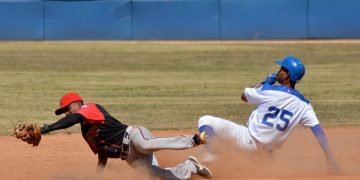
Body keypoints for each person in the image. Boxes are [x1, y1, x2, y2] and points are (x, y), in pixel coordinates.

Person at [197, 56, 340, 173]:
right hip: (265, 154)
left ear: (288, 75)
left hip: (247, 140)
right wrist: (330, 158)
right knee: (253, 171)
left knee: (206, 120)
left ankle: (210, 156)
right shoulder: (305, 105)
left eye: (282, 69)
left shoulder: (268, 90)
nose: (279, 71)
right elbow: (318, 131)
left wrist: (265, 82)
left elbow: (243, 96)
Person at [39, 92, 212, 179]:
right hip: (130, 157)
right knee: (158, 176)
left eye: (66, 109)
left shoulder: (89, 108)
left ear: (78, 103)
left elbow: (74, 118)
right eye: (63, 111)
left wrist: (45, 129)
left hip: (134, 136)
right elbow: (102, 153)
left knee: (146, 145)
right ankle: (190, 167)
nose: (66, 114)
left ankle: (193, 140)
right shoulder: (86, 132)